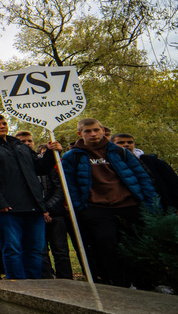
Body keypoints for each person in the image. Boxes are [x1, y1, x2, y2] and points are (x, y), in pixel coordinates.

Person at [61, 119, 156, 287]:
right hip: (97, 208)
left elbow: (142, 176)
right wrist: (81, 208)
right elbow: (69, 185)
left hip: (128, 205)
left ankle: (145, 284)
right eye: (88, 131)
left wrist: (150, 203)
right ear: (80, 134)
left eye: (96, 130)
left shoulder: (120, 152)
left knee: (137, 245)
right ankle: (120, 283)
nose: (93, 134)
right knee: (108, 246)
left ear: (103, 131)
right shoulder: (72, 156)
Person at [0, 113, 62, 280]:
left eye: (4, 123)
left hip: (33, 207)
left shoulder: (21, 147)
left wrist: (50, 153)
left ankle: (35, 284)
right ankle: (18, 286)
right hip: (8, 208)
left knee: (35, 248)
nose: (2, 126)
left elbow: (40, 168)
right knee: (13, 249)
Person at [111, 133, 178, 223]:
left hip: (165, 208)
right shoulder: (110, 166)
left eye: (130, 142)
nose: (126, 144)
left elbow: (175, 184)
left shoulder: (153, 162)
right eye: (121, 142)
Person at [36, 143, 74, 280]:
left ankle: (66, 279)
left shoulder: (50, 167)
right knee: (41, 251)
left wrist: (47, 209)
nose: (26, 143)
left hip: (55, 213)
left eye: (29, 141)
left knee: (61, 250)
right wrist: (41, 211)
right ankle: (47, 280)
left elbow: (60, 188)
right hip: (36, 215)